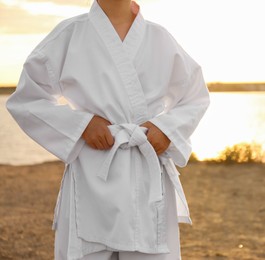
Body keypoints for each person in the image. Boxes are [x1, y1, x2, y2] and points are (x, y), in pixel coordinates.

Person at [6, 0, 210, 259]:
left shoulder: (160, 39)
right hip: (93, 168)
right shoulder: (69, 34)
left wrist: (166, 129)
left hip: (145, 170)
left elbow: (195, 97)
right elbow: (26, 99)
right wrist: (81, 125)